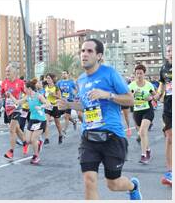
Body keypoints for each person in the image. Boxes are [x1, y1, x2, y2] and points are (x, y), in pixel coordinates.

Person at [59, 39, 142, 200]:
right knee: (89, 180)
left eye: (89, 51)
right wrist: (68, 104)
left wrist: (108, 95)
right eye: (82, 51)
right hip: (89, 136)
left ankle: (133, 186)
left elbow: (130, 100)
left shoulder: (110, 73)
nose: (84, 54)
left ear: (99, 56)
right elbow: (86, 105)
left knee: (113, 183)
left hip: (112, 136)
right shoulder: (81, 80)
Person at [9, 79, 49, 164]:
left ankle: (36, 156)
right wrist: (10, 95)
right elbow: (17, 102)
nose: (24, 90)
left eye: (25, 88)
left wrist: (41, 106)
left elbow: (47, 103)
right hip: (32, 120)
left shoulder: (38, 96)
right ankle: (39, 142)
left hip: (41, 120)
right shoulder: (27, 97)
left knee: (33, 139)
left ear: (29, 89)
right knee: (27, 140)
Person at [129, 64, 156, 164]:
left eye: (141, 73)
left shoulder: (149, 85)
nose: (139, 75)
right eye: (137, 73)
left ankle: (144, 155)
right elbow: (128, 97)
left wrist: (151, 98)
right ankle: (148, 149)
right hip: (137, 111)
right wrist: (131, 97)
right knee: (141, 133)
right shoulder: (131, 85)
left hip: (148, 110)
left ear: (144, 74)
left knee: (143, 131)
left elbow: (156, 95)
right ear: (135, 74)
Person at [0, 63, 28, 159]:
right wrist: (4, 95)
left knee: (12, 129)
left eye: (8, 71)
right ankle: (25, 142)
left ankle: (11, 152)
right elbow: (2, 95)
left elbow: (27, 94)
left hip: (17, 109)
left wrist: (20, 101)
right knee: (17, 129)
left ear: (14, 72)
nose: (6, 73)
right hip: (8, 109)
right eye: (6, 71)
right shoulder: (4, 83)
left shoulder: (20, 82)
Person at [154, 43, 172, 186]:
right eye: (168, 51)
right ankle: (170, 172)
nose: (170, 53)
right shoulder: (164, 68)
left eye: (172, 50)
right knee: (169, 138)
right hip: (168, 106)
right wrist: (157, 95)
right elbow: (162, 84)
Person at [44, 73, 63, 144]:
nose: (47, 79)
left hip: (55, 106)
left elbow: (60, 97)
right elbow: (44, 96)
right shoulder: (46, 87)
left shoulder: (56, 87)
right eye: (47, 78)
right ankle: (46, 138)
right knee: (46, 122)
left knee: (57, 123)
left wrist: (53, 94)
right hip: (48, 106)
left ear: (52, 79)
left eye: (49, 78)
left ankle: (60, 135)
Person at [56, 70, 78, 135]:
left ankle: (64, 130)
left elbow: (76, 89)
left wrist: (74, 95)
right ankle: (74, 122)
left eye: (65, 73)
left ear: (68, 74)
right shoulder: (59, 82)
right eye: (62, 73)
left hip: (69, 100)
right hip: (62, 101)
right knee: (64, 115)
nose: (63, 75)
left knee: (66, 116)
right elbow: (57, 90)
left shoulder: (71, 82)